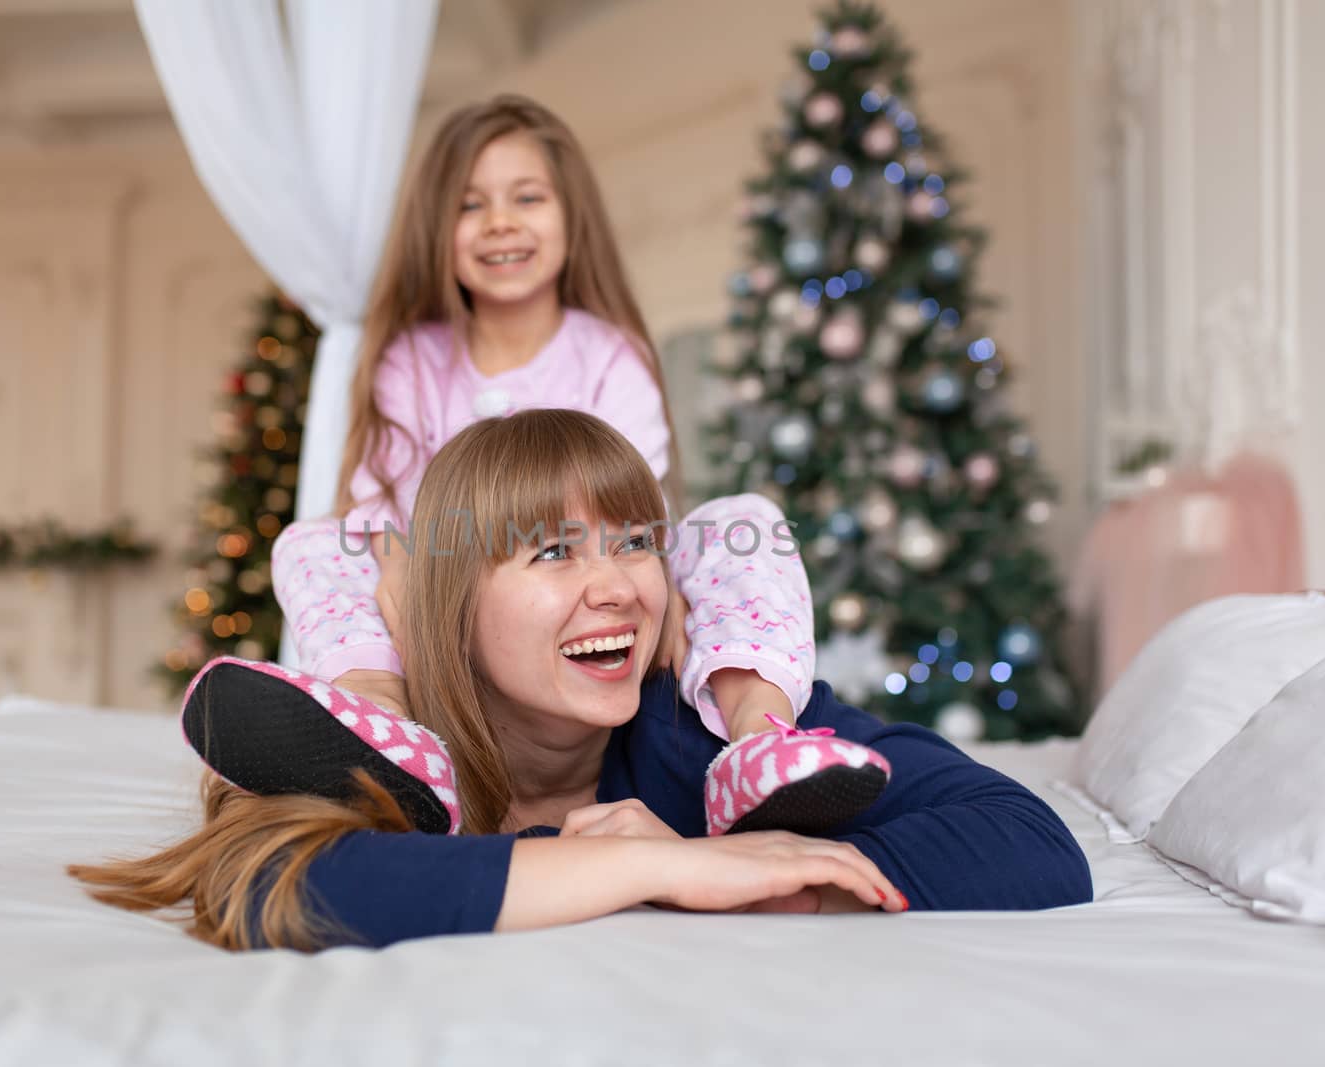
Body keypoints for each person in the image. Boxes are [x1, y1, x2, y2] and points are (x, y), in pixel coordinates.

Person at [72, 411, 1093, 951]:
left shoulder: (701, 722)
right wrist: (647, 869)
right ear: (451, 608)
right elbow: (273, 884)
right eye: (553, 553)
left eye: (637, 542)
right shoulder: (363, 746)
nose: (616, 586)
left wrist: (762, 891)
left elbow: (1029, 842)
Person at [234, 94, 864, 835]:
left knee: (742, 522)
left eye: (527, 197)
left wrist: (659, 597)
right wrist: (412, 620)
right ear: (439, 230)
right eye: (472, 205)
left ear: (572, 218)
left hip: (587, 591)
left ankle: (758, 740)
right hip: (444, 594)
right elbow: (381, 519)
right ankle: (380, 724)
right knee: (313, 541)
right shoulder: (412, 358)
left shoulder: (607, 352)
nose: (501, 221)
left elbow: (643, 511)